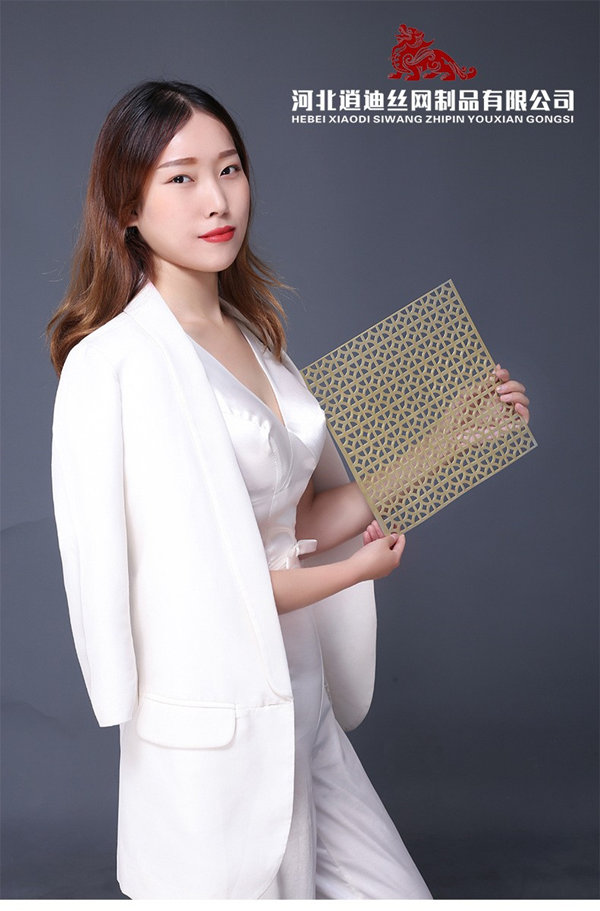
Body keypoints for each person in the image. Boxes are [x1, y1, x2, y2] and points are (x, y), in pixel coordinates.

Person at [47, 80, 530, 900]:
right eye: (181, 177)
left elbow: (301, 517)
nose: (216, 199)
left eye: (229, 168)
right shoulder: (118, 364)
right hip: (216, 719)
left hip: (302, 703)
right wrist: (358, 571)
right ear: (126, 206)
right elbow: (210, 582)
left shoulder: (258, 340)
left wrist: (449, 439)